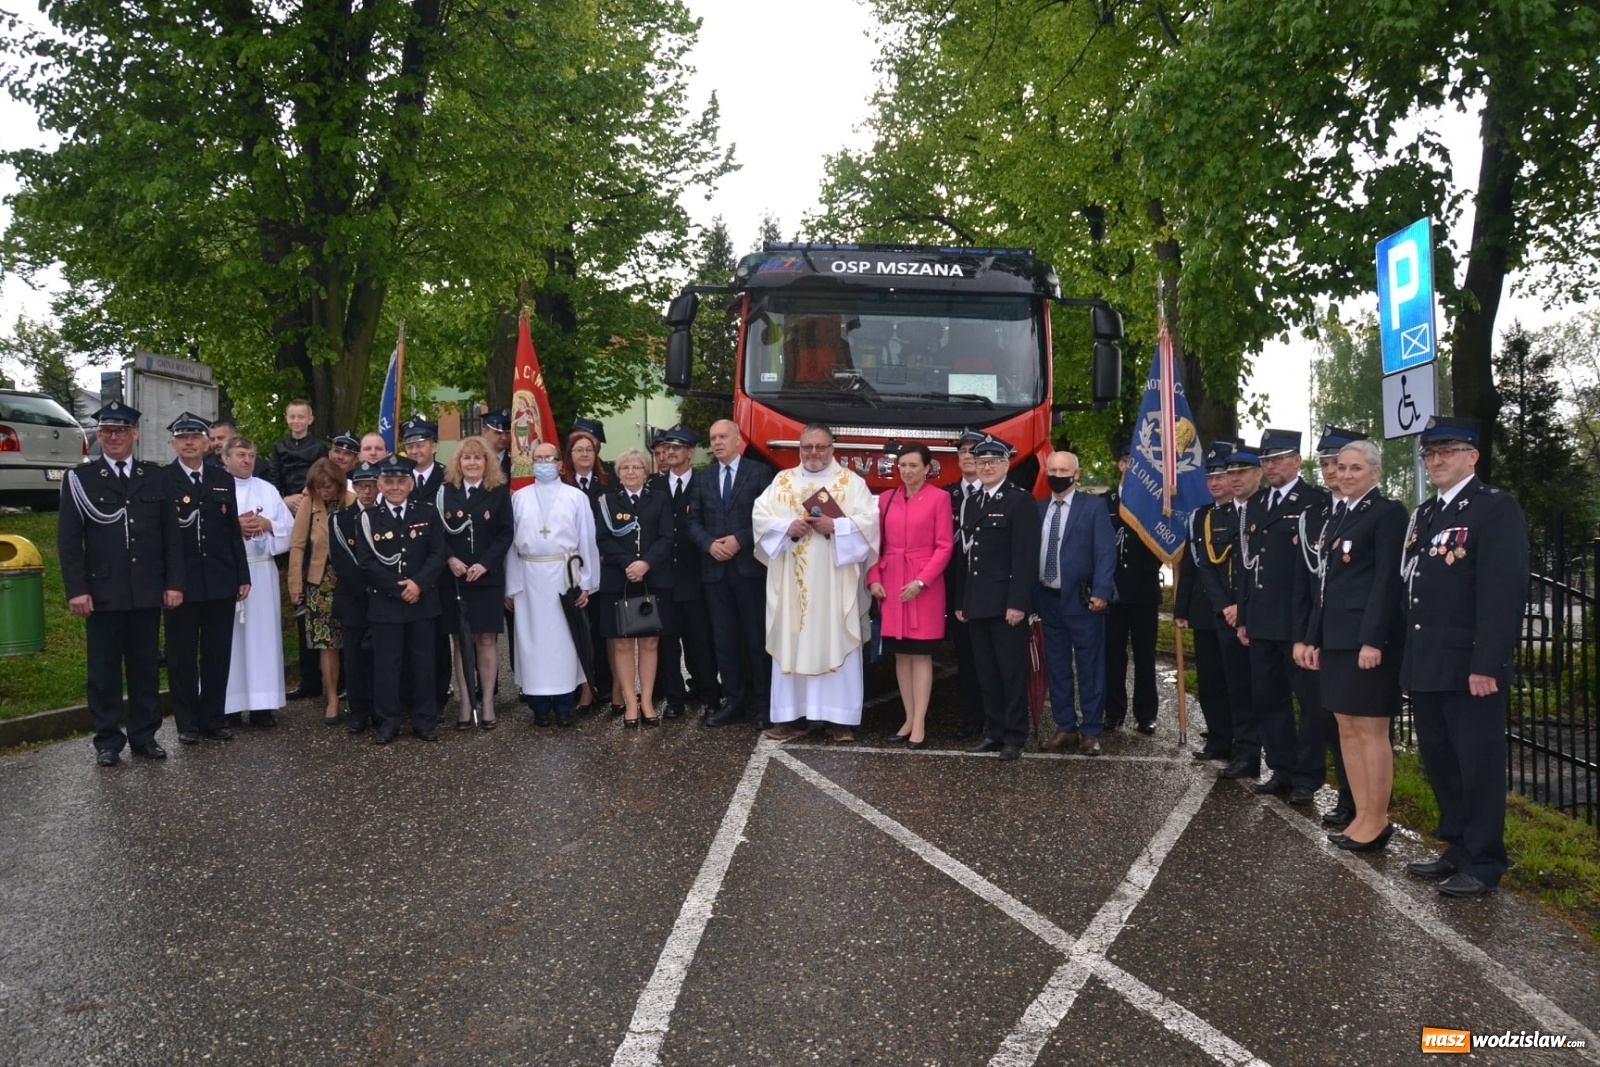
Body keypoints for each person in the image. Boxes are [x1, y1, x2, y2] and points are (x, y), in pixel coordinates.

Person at [1401, 417, 1528, 898]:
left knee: (1477, 764)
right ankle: (1456, 846)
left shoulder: (1494, 510)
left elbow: (1502, 593)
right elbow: (1413, 589)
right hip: (1429, 661)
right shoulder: (1427, 514)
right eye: (1430, 454)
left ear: (1472, 456)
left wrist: (1487, 663)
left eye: (1446, 452)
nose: (1435, 461)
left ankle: (1485, 860)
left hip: (1468, 666)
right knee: (1441, 761)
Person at [58, 401, 184, 766]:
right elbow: (69, 541)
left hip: (146, 589)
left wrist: (173, 583)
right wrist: (77, 589)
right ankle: (108, 741)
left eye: (121, 431)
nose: (113, 437)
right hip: (103, 591)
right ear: (99, 436)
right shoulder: (80, 480)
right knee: (103, 669)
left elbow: (170, 537)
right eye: (107, 432)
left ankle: (145, 736)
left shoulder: (156, 477)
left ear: (134, 434)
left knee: (145, 666)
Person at [1299, 440, 1408, 851]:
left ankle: (1377, 819)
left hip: (1366, 641)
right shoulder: (1338, 516)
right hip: (1337, 639)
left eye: (1355, 468)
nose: (1345, 475)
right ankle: (1361, 814)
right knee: (1346, 727)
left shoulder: (1387, 514)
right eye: (1340, 467)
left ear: (1375, 472)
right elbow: (1324, 586)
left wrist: (1372, 640)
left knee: (1369, 730)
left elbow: (1386, 581)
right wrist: (1313, 637)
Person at [752, 424, 880, 742]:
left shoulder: (851, 483)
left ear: (832, 448)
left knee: (835, 638)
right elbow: (760, 516)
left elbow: (870, 522)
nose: (813, 453)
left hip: (834, 584)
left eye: (820, 447)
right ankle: (791, 717)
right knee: (791, 640)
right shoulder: (783, 480)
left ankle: (839, 720)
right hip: (791, 583)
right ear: (800, 448)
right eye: (807, 447)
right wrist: (786, 527)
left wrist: (835, 526)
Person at [1238, 428, 1330, 803]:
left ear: (1297, 460)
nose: (1271, 466)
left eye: (1278, 459)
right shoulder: (1256, 505)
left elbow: (1314, 573)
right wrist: (1244, 616)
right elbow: (1247, 568)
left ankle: (1307, 777)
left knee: (1309, 703)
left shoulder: (1315, 502)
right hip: (1261, 621)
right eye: (1266, 460)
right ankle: (1282, 768)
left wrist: (1310, 631)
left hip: (1296, 622)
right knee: (1268, 699)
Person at [1295, 426, 1370, 826]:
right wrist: (1305, 635)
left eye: (1338, 464)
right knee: (1328, 720)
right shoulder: (1317, 516)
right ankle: (1346, 796)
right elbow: (1306, 585)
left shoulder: (1375, 513)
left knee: (1359, 725)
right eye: (1325, 464)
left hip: (1354, 637)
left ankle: (1357, 801)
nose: (1331, 472)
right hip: (1320, 633)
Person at [163, 412, 250, 745]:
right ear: (173, 443)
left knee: (217, 653)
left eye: (195, 437)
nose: (189, 443)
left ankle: (213, 717)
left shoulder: (221, 477)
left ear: (206, 442)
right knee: (182, 655)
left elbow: (232, 533)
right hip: (181, 584)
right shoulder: (162, 479)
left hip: (219, 579)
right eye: (182, 437)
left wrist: (241, 574)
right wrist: (166, 581)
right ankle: (186, 722)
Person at [504, 440, 601, 726]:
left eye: (549, 458)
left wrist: (586, 582)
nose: (544, 463)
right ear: (532, 463)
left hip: (564, 577)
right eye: (538, 458)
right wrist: (511, 585)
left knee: (564, 644)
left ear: (559, 463)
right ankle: (538, 708)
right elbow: (510, 545)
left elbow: (587, 541)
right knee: (532, 644)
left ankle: (563, 706)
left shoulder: (575, 497)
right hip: (529, 579)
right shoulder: (519, 497)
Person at [688, 419, 776, 728]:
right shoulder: (703, 478)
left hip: (748, 569)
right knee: (724, 641)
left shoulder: (760, 473)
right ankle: (733, 701)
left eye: (723, 436)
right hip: (715, 571)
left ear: (738, 439)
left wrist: (739, 539)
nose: (717, 442)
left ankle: (765, 707)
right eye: (712, 438)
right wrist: (709, 544)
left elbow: (767, 519)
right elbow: (693, 522)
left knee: (756, 640)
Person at [958, 435, 1040, 761]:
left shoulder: (1019, 501)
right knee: (987, 673)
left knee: (1011, 672)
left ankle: (1014, 736)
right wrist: (962, 601)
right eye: (981, 462)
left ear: (1006, 465)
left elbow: (1024, 557)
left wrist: (1018, 603)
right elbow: (966, 558)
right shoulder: (972, 501)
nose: (987, 466)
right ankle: (993, 731)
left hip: (1006, 603)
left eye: (993, 461)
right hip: (977, 601)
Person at [355, 455, 448, 743]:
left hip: (421, 601)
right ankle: (389, 721)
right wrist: (399, 588)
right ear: (380, 484)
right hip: (386, 603)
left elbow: (438, 553)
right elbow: (366, 562)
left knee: (423, 665)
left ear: (410, 484)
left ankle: (424, 720)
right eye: (389, 481)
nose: (395, 487)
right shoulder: (368, 518)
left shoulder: (428, 513)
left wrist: (418, 584)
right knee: (387, 666)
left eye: (400, 481)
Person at [868, 443, 951, 747]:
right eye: (902, 465)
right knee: (901, 654)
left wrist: (921, 581)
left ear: (927, 468)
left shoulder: (939, 498)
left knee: (920, 653)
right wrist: (873, 577)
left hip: (922, 584)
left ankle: (919, 723)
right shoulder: (886, 499)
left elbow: (944, 546)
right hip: (891, 583)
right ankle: (907, 716)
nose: (906, 470)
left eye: (913, 465)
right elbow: (875, 543)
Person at [1034, 450, 1117, 755]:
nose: (1057, 475)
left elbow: (1106, 552)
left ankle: (1091, 731)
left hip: (1083, 601)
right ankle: (1065, 727)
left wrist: (1102, 591)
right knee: (1056, 667)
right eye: (1052, 469)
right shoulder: (1039, 508)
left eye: (1063, 470)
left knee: (1090, 666)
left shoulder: (1093, 507)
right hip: (1048, 600)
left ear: (1076, 474)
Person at [435, 435, 513, 729]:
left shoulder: (498, 492)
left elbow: (506, 533)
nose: (471, 463)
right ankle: (466, 701)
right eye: (466, 458)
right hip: (454, 578)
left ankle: (489, 702)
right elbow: (437, 534)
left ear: (487, 462)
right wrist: (450, 559)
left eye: (477, 458)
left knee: (486, 638)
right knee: (460, 640)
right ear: (458, 461)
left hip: (486, 577)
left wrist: (484, 564)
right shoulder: (445, 493)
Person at [593, 449, 674, 727]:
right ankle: (630, 702)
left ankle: (648, 701)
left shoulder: (660, 500)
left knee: (650, 642)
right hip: (619, 580)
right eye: (625, 467)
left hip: (652, 578)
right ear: (618, 473)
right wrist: (630, 563)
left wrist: (646, 564)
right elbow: (603, 539)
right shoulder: (606, 502)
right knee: (624, 643)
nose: (631, 472)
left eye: (637, 467)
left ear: (646, 471)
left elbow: (667, 536)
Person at [222, 436, 293, 727]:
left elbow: (290, 529)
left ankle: (263, 706)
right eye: (240, 454)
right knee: (231, 641)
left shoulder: (268, 490)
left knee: (263, 638)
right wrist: (233, 526)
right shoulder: (216, 487)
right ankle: (230, 706)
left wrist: (268, 525)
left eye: (251, 455)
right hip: (227, 573)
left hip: (262, 571)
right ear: (225, 458)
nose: (247, 460)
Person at [1175, 442, 1238, 762]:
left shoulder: (1247, 512)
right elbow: (1190, 564)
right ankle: (1217, 738)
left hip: (1235, 613)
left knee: (1236, 681)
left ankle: (1242, 741)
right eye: (1210, 477)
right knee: (1210, 680)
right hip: (1204, 611)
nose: (1214, 482)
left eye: (1222, 476)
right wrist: (1181, 609)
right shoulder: (1200, 515)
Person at [654, 425, 719, 718]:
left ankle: (708, 694)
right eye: (667, 448)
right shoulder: (654, 486)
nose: (670, 452)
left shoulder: (705, 483)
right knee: (668, 643)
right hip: (664, 577)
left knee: (699, 641)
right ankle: (675, 698)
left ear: (690, 453)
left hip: (696, 576)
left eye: (677, 448)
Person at [289, 458, 355, 725]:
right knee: (327, 645)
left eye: (328, 487)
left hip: (350, 582)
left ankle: (355, 696)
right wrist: (296, 586)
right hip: (319, 582)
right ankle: (331, 699)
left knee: (353, 641)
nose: (324, 492)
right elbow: (297, 545)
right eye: (319, 487)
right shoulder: (310, 503)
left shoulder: (352, 500)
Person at [1210, 443, 1262, 779]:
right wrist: (1228, 608)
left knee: (1270, 694)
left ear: (1259, 473)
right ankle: (1246, 753)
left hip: (1262, 617)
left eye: (1241, 472)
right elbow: (1209, 567)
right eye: (1231, 472)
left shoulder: (1264, 510)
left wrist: (1244, 611)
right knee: (1239, 690)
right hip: (1229, 615)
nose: (1233, 478)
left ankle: (1287, 764)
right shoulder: (1220, 515)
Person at [1104, 442, 1164, 735]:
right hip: (1111, 593)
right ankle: (1113, 712)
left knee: (1144, 656)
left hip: (1143, 592)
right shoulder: (1104, 502)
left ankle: (1146, 714)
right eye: (1130, 462)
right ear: (1121, 464)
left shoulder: (1155, 507)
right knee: (1112, 655)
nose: (1134, 468)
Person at [399, 415, 452, 713]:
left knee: (437, 636)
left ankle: (439, 694)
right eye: (410, 445)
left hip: (438, 570)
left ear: (434, 446)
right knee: (408, 639)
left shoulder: (448, 479)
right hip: (406, 571)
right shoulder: (398, 478)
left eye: (421, 443)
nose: (415, 450)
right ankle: (410, 696)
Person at [328, 461, 381, 733]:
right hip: (354, 600)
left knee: (383, 657)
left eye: (373, 486)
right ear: (355, 488)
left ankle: (382, 710)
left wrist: (382, 588)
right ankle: (358, 712)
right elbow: (341, 560)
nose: (368, 492)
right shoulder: (339, 518)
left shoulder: (387, 516)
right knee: (355, 660)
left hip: (385, 600)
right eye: (362, 486)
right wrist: (370, 587)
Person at [563, 423, 613, 711]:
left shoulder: (610, 483)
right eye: (578, 450)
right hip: (571, 570)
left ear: (597, 453)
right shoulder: (562, 486)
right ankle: (577, 685)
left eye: (589, 449)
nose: (584, 454)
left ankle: (602, 684)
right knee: (574, 629)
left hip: (604, 566)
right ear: (569, 455)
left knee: (600, 628)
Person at [943, 429, 988, 739]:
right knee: (965, 657)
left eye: (975, 451)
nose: (968, 456)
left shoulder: (999, 494)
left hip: (986, 587)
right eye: (963, 452)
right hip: (952, 586)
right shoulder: (944, 495)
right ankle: (971, 718)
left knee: (989, 657)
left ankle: (993, 719)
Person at [268, 398, 326, 517]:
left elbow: (322, 475)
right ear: (286, 418)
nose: (296, 420)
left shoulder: (318, 447)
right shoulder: (279, 446)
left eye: (301, 417)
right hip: (284, 502)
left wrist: (307, 494)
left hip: (311, 500)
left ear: (310, 420)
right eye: (292, 416)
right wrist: (283, 499)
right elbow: (274, 476)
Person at [481, 409, 513, 481]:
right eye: (498, 433)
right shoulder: (476, 458)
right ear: (485, 432)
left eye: (507, 433)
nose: (504, 438)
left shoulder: (514, 459)